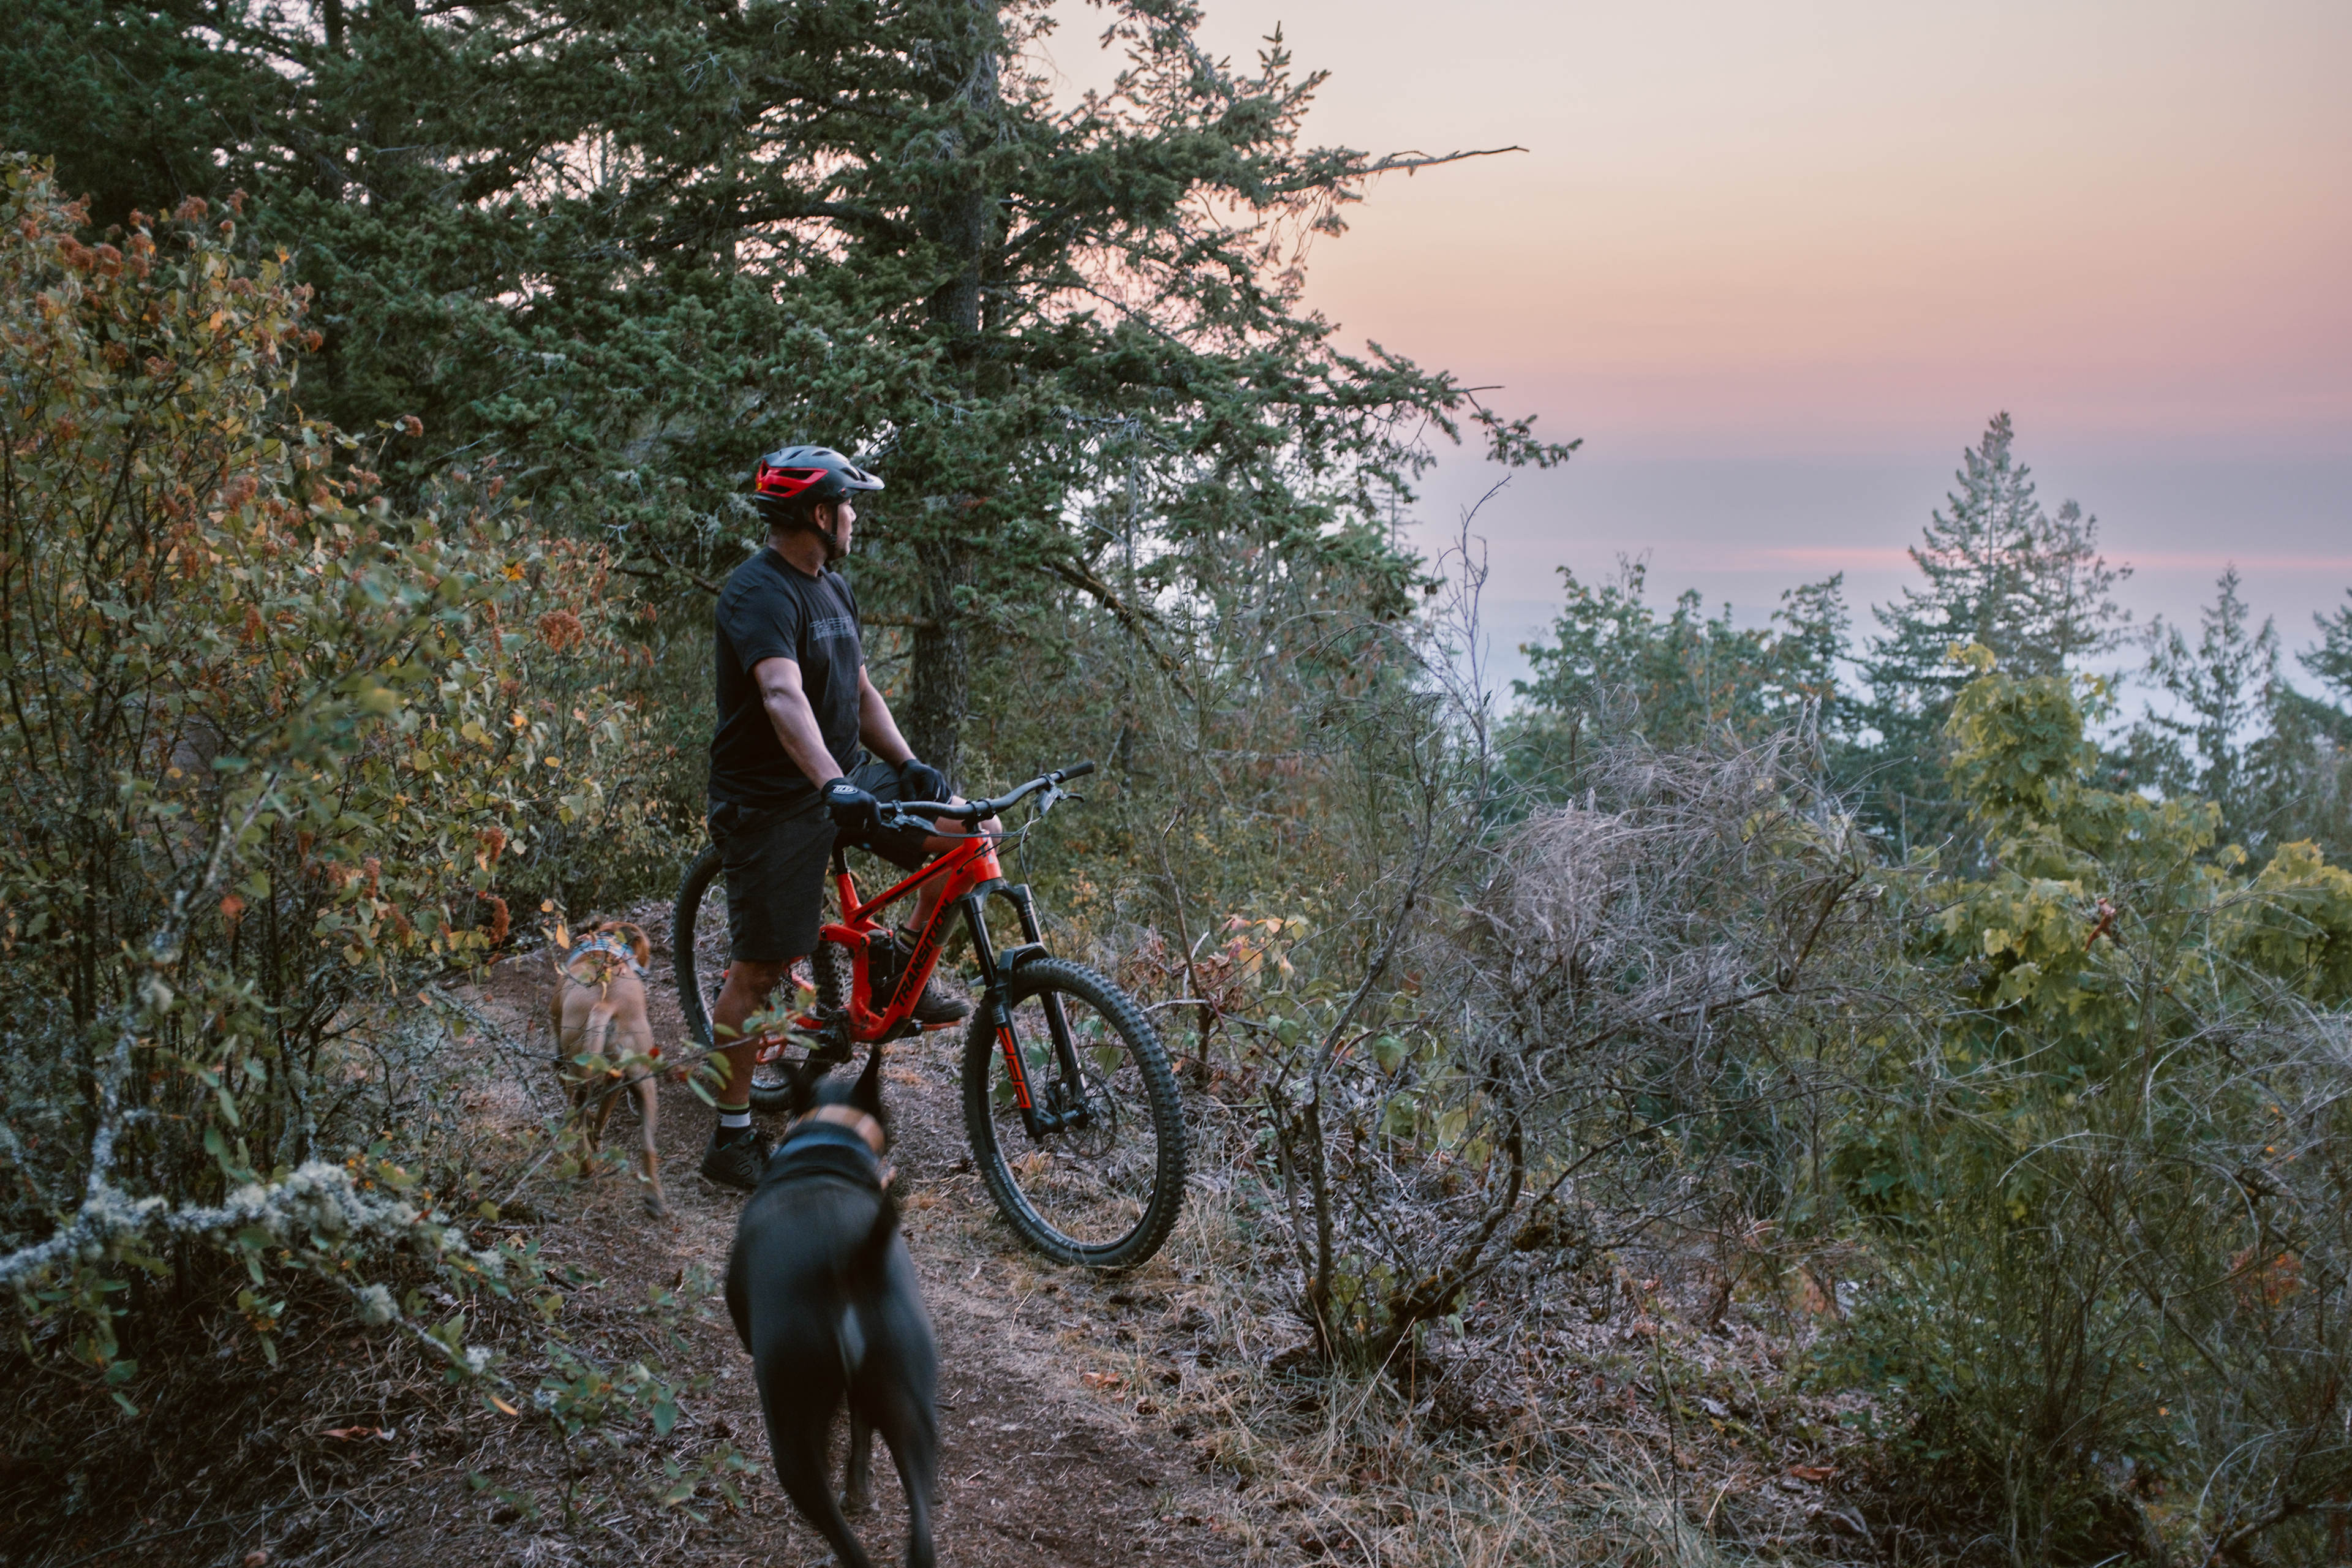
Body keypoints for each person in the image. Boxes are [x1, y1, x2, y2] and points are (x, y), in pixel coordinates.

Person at [698, 444, 977, 1191]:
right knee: (759, 972)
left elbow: (858, 692)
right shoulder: (759, 593)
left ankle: (895, 969)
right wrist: (831, 784)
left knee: (968, 836)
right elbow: (782, 698)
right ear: (820, 514)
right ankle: (729, 1140)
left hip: (841, 778)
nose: (856, 516)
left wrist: (908, 763)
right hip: (771, 798)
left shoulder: (833, 587)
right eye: (849, 504)